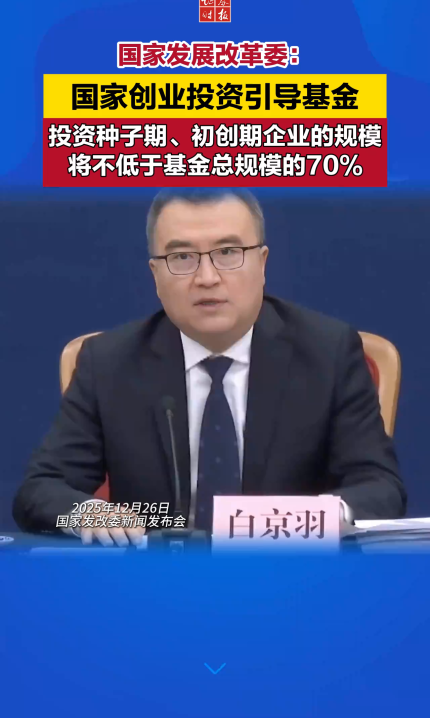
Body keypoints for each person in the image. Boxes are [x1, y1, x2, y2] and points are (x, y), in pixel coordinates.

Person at [12, 189, 407, 545]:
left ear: (262, 263)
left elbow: (379, 487)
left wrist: (320, 517)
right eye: (182, 257)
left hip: (289, 574)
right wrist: (89, 513)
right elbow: (42, 489)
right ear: (155, 275)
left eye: (228, 253)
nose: (206, 277)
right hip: (153, 583)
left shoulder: (327, 352)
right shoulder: (109, 362)